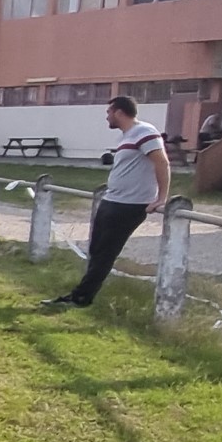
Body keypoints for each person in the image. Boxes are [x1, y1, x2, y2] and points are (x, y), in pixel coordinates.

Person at [44, 97, 170, 309]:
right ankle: (81, 294)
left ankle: (80, 298)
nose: (106, 116)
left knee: (105, 253)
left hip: (130, 205)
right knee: (95, 249)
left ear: (119, 112)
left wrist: (161, 198)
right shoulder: (127, 136)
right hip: (112, 199)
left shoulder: (145, 132)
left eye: (108, 112)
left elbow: (162, 162)